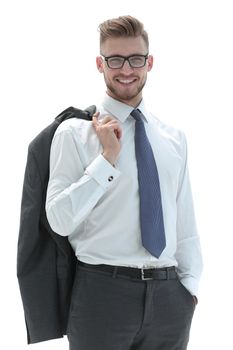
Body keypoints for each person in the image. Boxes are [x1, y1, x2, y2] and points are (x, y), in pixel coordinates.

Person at [45, 15, 203, 350]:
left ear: (150, 62)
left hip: (169, 299)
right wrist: (107, 160)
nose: (126, 69)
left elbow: (184, 217)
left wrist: (188, 288)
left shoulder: (173, 137)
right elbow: (58, 220)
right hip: (102, 293)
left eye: (135, 59)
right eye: (115, 59)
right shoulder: (74, 133)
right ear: (100, 63)